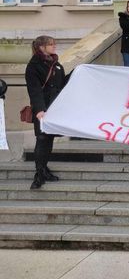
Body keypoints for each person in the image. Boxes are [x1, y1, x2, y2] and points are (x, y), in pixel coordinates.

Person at [25, 36, 67, 190]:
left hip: (54, 108)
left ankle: (43, 169)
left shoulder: (56, 64)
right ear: (42, 47)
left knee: (48, 139)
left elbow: (62, 84)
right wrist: (39, 109)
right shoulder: (34, 66)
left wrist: (78, 73)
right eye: (51, 44)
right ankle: (39, 173)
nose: (54, 46)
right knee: (42, 138)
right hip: (42, 109)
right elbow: (34, 90)